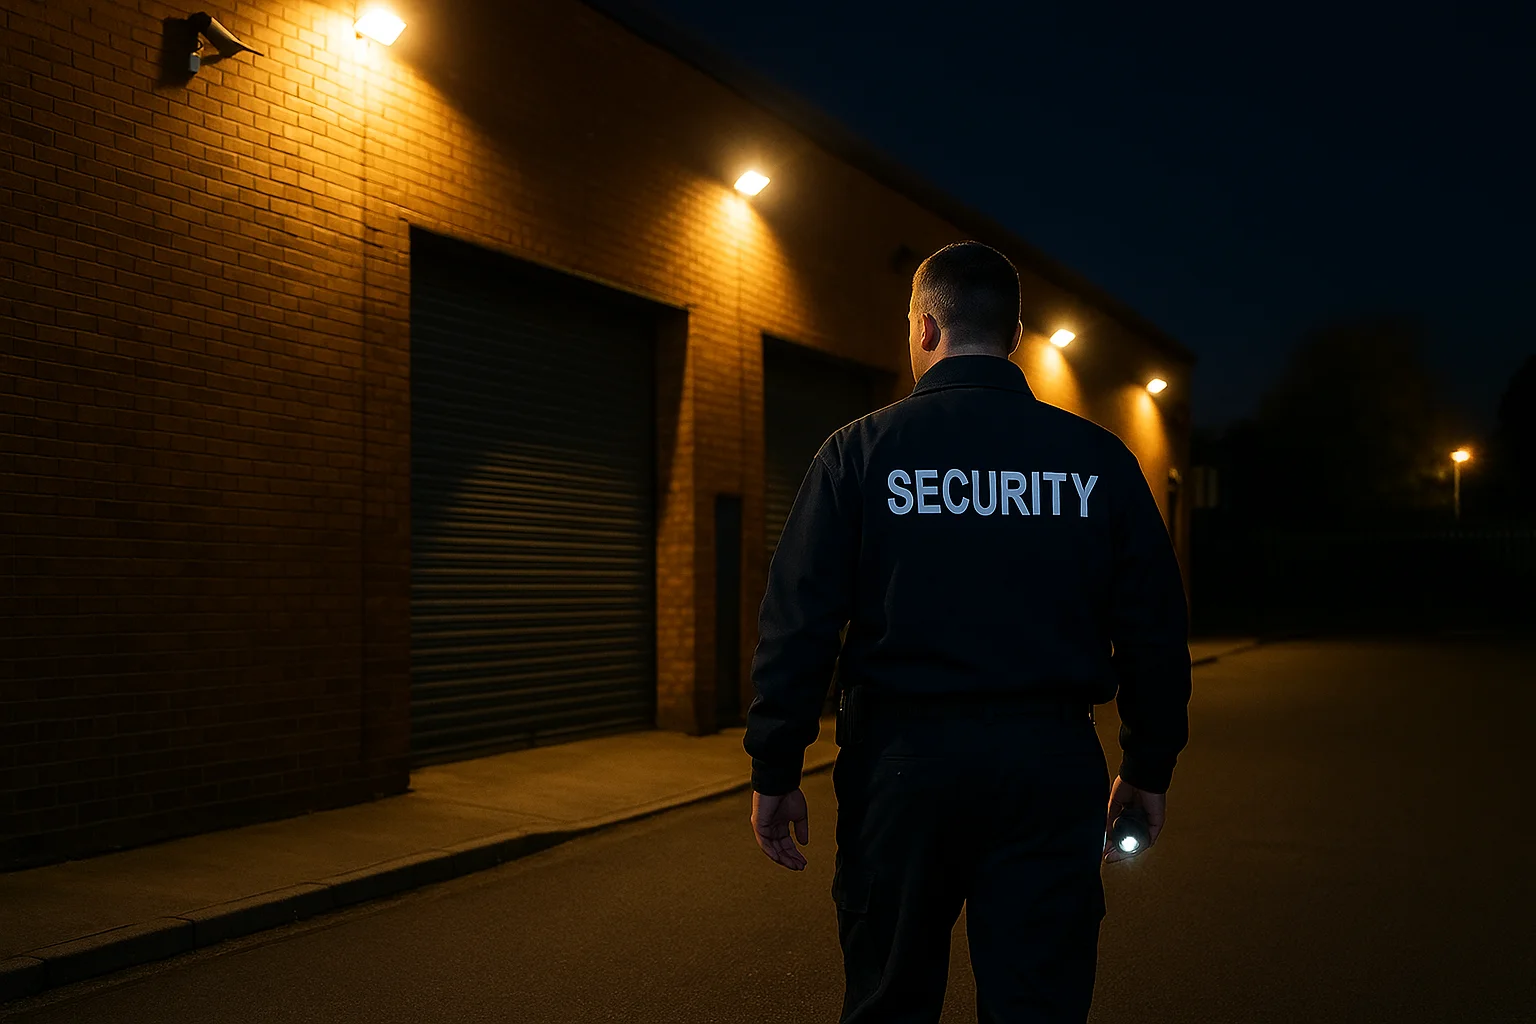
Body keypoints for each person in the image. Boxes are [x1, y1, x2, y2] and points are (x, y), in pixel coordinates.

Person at [743, 240, 1191, 1023]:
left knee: (890, 999)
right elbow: (1155, 627)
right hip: (1050, 770)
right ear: (1015, 335)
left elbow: (798, 623)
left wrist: (775, 765)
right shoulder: (1096, 461)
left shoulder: (858, 454)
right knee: (1038, 1003)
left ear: (924, 328)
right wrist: (1147, 766)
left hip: (900, 771)